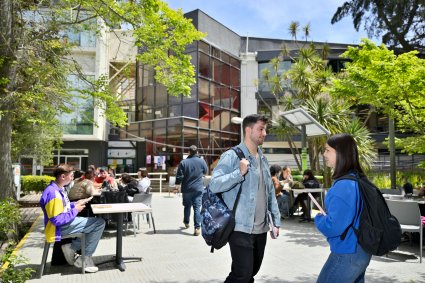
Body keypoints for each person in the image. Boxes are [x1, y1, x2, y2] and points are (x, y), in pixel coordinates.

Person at [209, 114, 281, 283]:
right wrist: (238, 173)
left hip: (261, 228)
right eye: (261, 129)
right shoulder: (232, 156)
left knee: (251, 272)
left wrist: (275, 221)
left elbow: (269, 191)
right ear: (248, 130)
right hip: (240, 226)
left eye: (265, 129)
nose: (264, 133)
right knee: (242, 274)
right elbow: (214, 185)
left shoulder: (262, 158)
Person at [314, 134, 372, 282]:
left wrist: (319, 219)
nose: (324, 154)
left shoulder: (344, 185)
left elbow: (335, 226)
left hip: (347, 252)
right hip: (361, 249)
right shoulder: (356, 178)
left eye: (327, 150)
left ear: (340, 152)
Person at [39, 164, 105, 273]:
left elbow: (63, 207)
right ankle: (84, 258)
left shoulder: (58, 188)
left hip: (61, 225)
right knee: (99, 224)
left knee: (93, 224)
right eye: (71, 175)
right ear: (63, 177)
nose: (73, 177)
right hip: (58, 228)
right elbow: (57, 220)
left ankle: (73, 249)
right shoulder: (53, 193)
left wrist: (75, 204)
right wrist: (76, 210)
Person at [175, 145, 208, 236]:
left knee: (187, 206)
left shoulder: (184, 162)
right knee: (197, 208)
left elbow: (179, 176)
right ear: (197, 152)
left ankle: (186, 222)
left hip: (186, 189)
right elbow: (206, 171)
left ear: (189, 152)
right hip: (198, 188)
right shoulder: (201, 161)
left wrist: (176, 187)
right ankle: (197, 228)